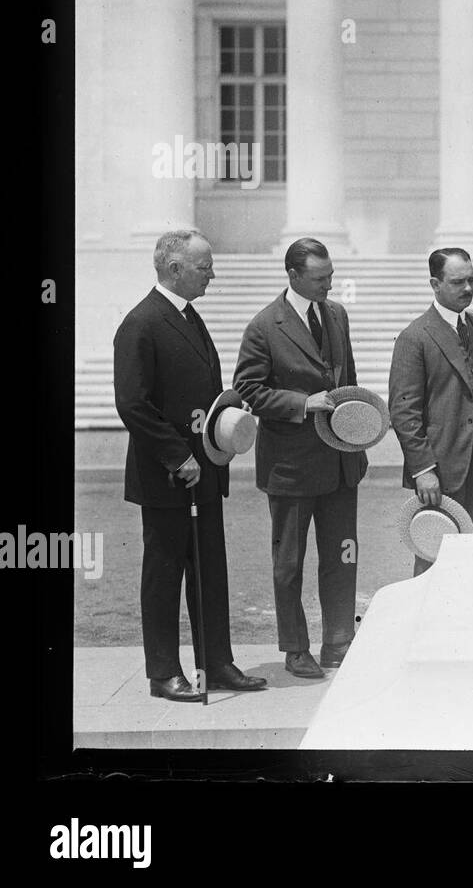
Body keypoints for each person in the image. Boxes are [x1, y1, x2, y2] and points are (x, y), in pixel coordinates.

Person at [113, 229, 266, 702]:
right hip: (167, 474)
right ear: (174, 269)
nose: (213, 274)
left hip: (204, 470)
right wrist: (177, 456)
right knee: (164, 572)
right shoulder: (140, 323)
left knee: (208, 569)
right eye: (205, 267)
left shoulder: (187, 316)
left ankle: (215, 662)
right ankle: (163, 673)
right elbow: (133, 404)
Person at [233, 238, 366, 679]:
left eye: (330, 276)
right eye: (320, 278)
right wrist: (303, 403)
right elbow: (247, 390)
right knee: (289, 563)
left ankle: (339, 641)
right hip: (291, 467)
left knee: (342, 555)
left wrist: (358, 429)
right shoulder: (263, 326)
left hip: (341, 462)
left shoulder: (337, 314)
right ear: (293, 276)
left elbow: (348, 377)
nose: (330, 284)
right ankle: (295, 648)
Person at [389, 248, 473, 576]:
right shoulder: (415, 337)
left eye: (471, 280)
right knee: (434, 557)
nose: (467, 288)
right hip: (440, 470)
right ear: (434, 284)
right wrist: (423, 468)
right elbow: (403, 411)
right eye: (457, 282)